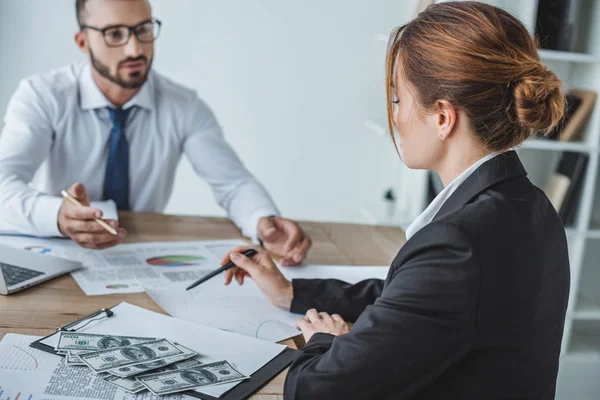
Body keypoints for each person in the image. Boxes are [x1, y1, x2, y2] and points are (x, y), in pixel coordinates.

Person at [221, 2, 570, 399]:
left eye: (398, 99)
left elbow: (314, 390)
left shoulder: (459, 244)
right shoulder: (531, 205)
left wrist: (324, 340)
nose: (396, 117)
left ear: (443, 117)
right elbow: (409, 298)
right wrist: (291, 293)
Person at [0, 0, 311, 265]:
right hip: (57, 252)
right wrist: (57, 215)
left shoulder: (184, 106)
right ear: (83, 42)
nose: (135, 48)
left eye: (143, 30)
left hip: (142, 254)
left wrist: (262, 221)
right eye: (115, 34)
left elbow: (232, 183)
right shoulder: (41, 96)